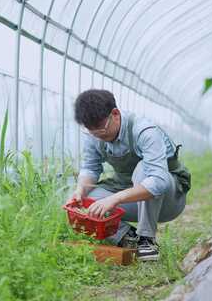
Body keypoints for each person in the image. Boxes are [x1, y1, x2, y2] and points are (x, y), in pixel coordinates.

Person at [71, 89, 192, 261]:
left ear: (115, 114)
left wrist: (115, 198)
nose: (98, 135)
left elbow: (158, 181)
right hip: (132, 197)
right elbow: (90, 168)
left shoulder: (144, 131)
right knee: (85, 195)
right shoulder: (95, 135)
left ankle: (146, 240)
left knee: (144, 170)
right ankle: (127, 237)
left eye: (101, 129)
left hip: (168, 200)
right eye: (92, 132)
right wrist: (79, 191)